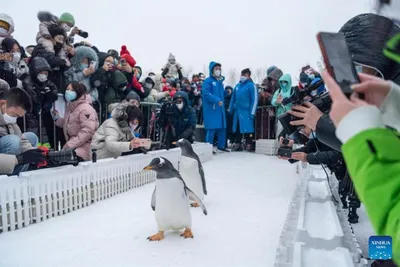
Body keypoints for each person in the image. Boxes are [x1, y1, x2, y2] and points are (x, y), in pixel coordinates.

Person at [322, 70, 400, 265]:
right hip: (370, 165)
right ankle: (380, 260)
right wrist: (395, 105)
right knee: (381, 229)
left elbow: (391, 199)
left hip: (372, 168)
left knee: (385, 223)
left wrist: (352, 127)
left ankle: (382, 261)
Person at [0, 87, 42, 175]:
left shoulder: (9, 121)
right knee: (13, 141)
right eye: (14, 115)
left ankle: (17, 177)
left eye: (17, 117)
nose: (14, 119)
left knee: (31, 137)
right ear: (2, 104)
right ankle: (7, 181)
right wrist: (19, 159)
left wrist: (39, 156)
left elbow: (22, 140)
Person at [52, 82, 98, 161]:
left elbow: (88, 131)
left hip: (84, 148)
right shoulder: (71, 107)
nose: (68, 92)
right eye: (67, 89)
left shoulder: (85, 109)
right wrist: (57, 118)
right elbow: (70, 123)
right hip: (75, 146)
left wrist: (70, 145)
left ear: (78, 92)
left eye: (72, 90)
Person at [20, 57, 58, 147]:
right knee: (32, 135)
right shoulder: (27, 81)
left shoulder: (47, 82)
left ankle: (45, 153)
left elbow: (54, 93)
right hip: (30, 116)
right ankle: (33, 152)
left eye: (46, 73)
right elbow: (32, 98)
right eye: (41, 73)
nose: (43, 75)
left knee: (44, 136)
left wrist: (49, 95)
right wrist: (40, 96)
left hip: (43, 116)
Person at [202, 61, 228, 154]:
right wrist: (216, 100)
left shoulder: (220, 82)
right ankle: (208, 147)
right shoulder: (208, 81)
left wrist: (226, 93)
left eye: (219, 69)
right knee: (211, 128)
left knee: (222, 128)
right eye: (216, 69)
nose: (218, 70)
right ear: (212, 70)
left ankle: (221, 146)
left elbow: (220, 93)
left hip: (220, 108)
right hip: (212, 108)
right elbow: (206, 93)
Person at [229, 68, 258, 151]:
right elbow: (233, 98)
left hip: (246, 111)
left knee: (248, 128)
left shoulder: (251, 86)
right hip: (237, 111)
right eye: (242, 75)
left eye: (244, 75)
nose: (242, 77)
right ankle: (238, 143)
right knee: (237, 127)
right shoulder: (237, 86)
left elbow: (254, 99)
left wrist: (252, 112)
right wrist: (230, 108)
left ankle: (249, 143)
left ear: (249, 76)